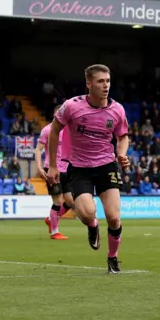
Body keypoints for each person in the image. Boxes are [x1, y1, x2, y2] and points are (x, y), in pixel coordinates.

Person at [48, 64, 130, 274]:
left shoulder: (117, 109)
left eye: (108, 81)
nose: (106, 85)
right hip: (80, 168)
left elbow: (122, 136)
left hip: (106, 165)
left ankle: (113, 259)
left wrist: (122, 153)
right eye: (101, 81)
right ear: (89, 83)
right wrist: (53, 165)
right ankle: (92, 226)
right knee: (86, 214)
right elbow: (54, 131)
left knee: (113, 217)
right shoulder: (72, 106)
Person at [36, 105, 74, 240]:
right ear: (54, 114)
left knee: (70, 201)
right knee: (57, 200)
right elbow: (38, 149)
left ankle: (51, 219)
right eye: (59, 112)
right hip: (51, 169)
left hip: (65, 170)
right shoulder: (47, 130)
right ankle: (55, 232)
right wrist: (39, 168)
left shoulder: (68, 131)